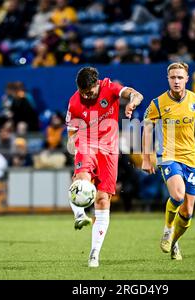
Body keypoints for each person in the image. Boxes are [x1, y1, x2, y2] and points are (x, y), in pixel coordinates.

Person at [141, 62, 195, 260]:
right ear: (168, 79)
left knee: (188, 213)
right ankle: (167, 229)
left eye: (180, 77)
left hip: (190, 159)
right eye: (173, 77)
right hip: (168, 156)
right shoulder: (157, 103)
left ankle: (174, 243)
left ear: (187, 79)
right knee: (178, 195)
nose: (176, 81)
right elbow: (147, 129)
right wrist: (147, 158)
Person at [66, 67, 143, 267]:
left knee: (102, 200)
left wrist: (133, 102)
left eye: (89, 92)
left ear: (97, 84)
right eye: (83, 92)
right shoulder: (74, 102)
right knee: (81, 180)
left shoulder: (110, 89)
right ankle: (80, 215)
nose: (86, 96)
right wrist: (78, 146)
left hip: (109, 151)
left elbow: (136, 94)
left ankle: (94, 253)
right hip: (86, 143)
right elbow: (72, 132)